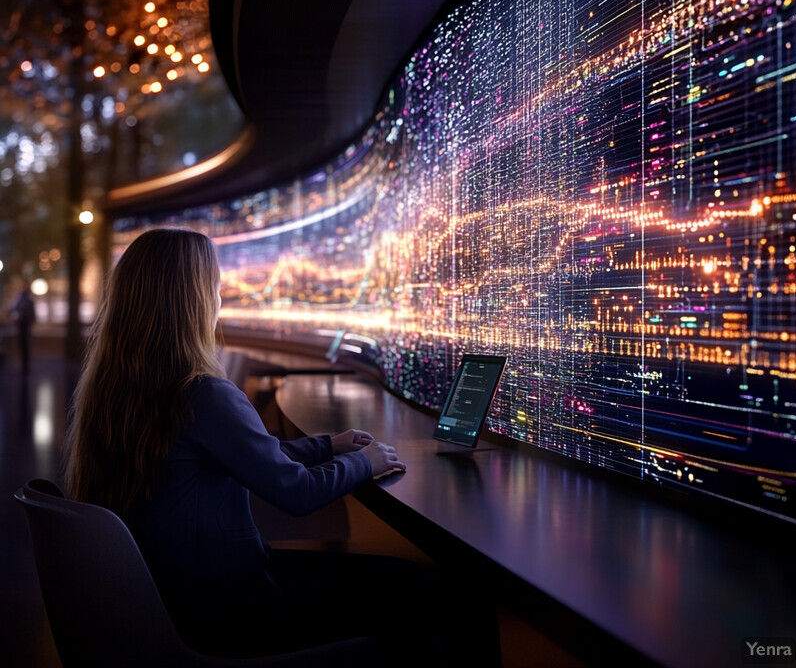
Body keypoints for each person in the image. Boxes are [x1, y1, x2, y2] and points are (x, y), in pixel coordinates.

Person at [64, 228, 501, 666]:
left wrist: (328, 446)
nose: (219, 299)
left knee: (399, 581)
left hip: (176, 598)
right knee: (411, 587)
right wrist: (365, 462)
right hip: (235, 615)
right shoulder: (202, 393)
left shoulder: (117, 389)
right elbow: (295, 492)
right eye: (214, 287)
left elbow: (247, 458)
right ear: (193, 300)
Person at [10, 283, 36, 374]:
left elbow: (12, 309)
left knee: (24, 346)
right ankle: (24, 365)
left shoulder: (23, 300)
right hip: (23, 326)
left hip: (24, 326)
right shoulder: (26, 300)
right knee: (24, 346)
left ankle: (25, 366)